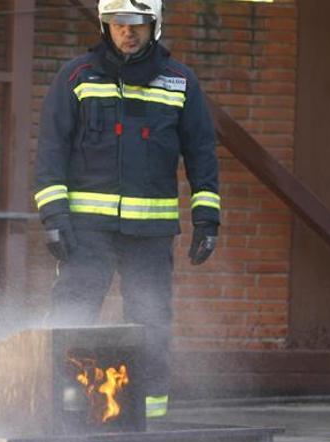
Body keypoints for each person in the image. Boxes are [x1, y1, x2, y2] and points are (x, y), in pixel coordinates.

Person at [33, 0, 220, 419]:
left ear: (154, 25)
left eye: (136, 24)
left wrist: (207, 216)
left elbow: (201, 152)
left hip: (150, 237)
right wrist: (54, 216)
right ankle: (59, 411)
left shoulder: (180, 82)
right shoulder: (77, 77)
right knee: (72, 318)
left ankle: (149, 418)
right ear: (105, 25)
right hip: (88, 232)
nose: (127, 32)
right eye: (118, 24)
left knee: (151, 326)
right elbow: (51, 149)